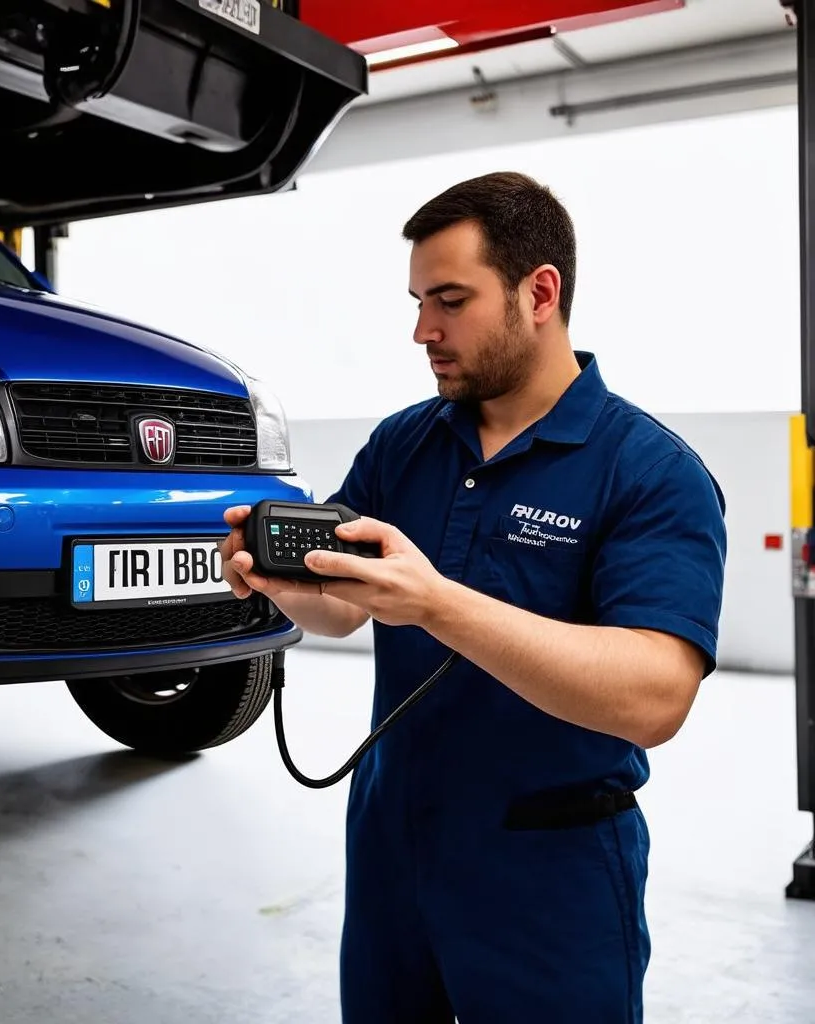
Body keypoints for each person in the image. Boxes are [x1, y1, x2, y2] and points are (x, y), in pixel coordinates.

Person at [220, 171, 727, 1023]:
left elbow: (655, 695)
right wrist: (281, 586)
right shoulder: (405, 442)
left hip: (547, 863)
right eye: (418, 301)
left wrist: (437, 604)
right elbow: (343, 606)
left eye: (451, 300)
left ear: (540, 292)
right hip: (392, 839)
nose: (423, 330)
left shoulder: (649, 472)